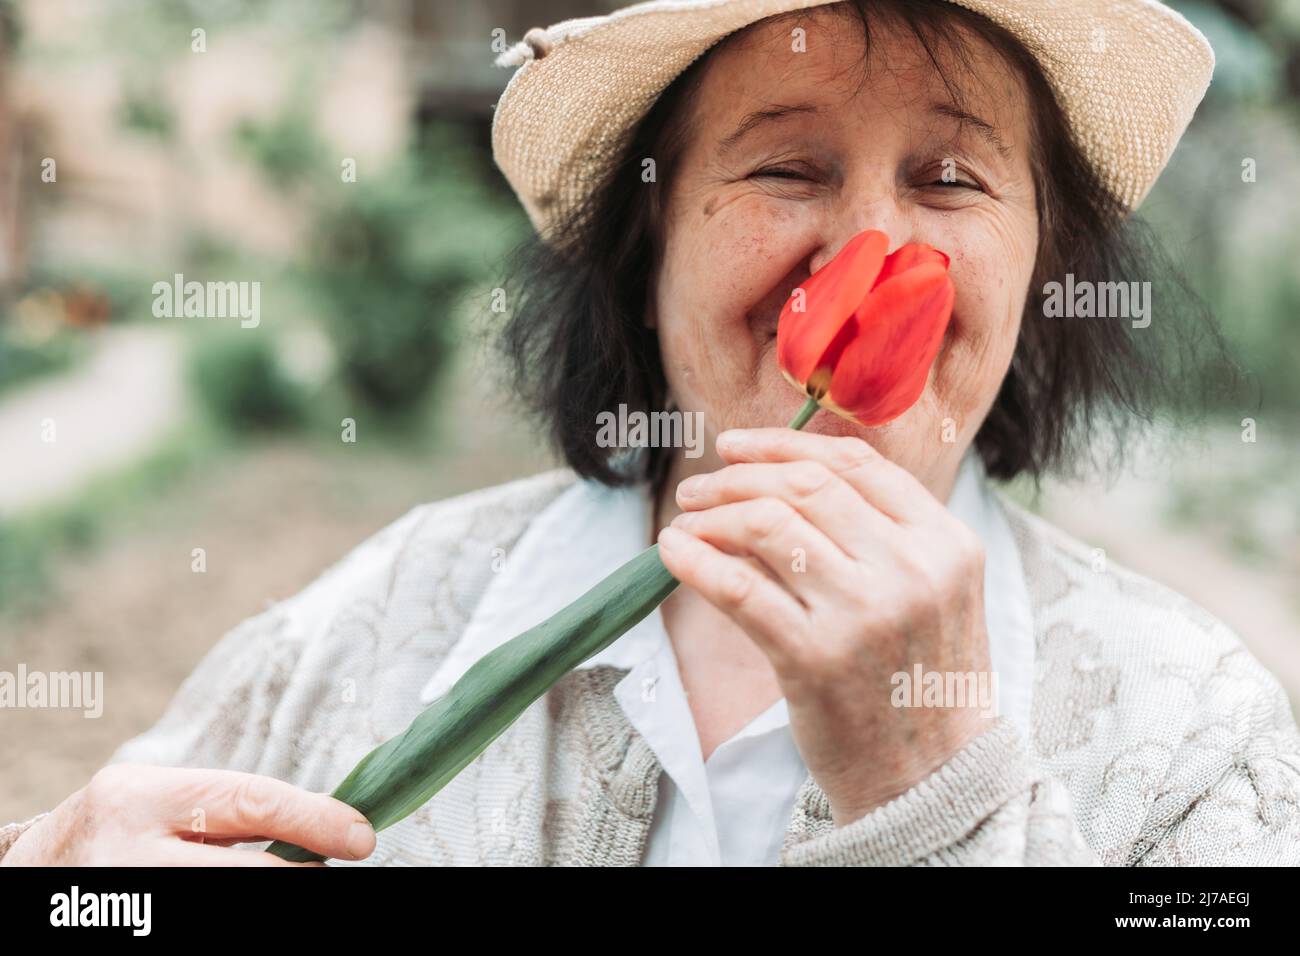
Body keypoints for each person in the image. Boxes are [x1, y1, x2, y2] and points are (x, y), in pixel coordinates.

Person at [5, 0, 1298, 866]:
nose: (871, 248)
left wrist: (936, 805)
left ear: (1037, 265)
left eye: (951, 179)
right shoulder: (378, 629)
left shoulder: (1196, 736)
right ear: (648, 244)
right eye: (784, 168)